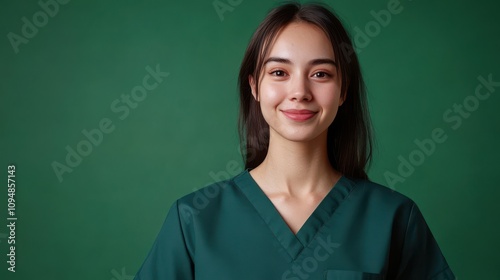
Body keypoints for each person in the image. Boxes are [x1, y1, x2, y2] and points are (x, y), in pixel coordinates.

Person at [134, 3, 455, 279]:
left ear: (343, 90)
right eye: (279, 73)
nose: (300, 91)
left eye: (321, 74)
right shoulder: (194, 219)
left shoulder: (393, 218)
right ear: (254, 86)